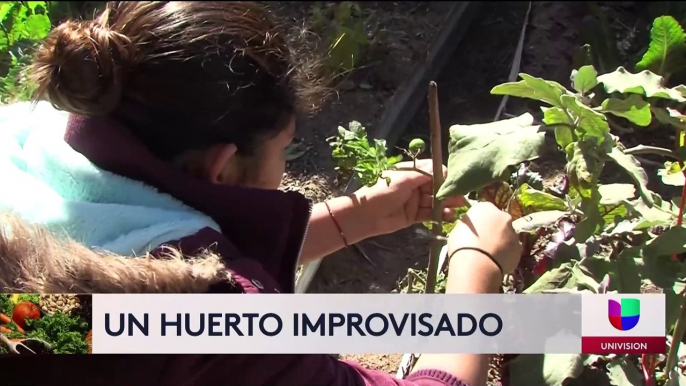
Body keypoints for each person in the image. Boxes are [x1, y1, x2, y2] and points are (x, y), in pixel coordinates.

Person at [0, 2, 522, 386]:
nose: (283, 166)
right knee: (591, 329)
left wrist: (355, 217)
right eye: (284, 149)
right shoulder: (201, 322)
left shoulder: (26, 138)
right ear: (223, 165)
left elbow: (132, 233)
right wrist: (475, 273)